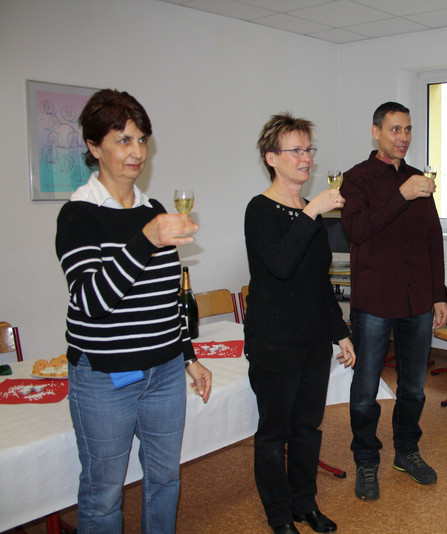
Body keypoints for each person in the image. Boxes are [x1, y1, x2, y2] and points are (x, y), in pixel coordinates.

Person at [55, 89, 212, 533]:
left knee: (164, 480)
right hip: (105, 375)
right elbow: (91, 301)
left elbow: (169, 297)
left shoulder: (154, 210)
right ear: (93, 147)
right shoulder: (79, 215)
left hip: (164, 371)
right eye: (123, 140)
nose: (137, 152)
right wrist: (145, 240)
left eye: (141, 140)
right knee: (103, 495)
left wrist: (188, 356)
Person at [244, 113, 356, 534]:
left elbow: (315, 282)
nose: (306, 157)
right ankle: (278, 516)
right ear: (272, 158)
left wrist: (339, 332)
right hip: (274, 341)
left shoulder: (310, 212)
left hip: (311, 340)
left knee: (307, 427)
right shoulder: (260, 210)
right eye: (296, 150)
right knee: (274, 435)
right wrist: (312, 211)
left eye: (309, 149)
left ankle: (303, 503)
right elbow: (282, 266)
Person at [340, 102, 447, 501]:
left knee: (415, 389)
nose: (403, 137)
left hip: (417, 300)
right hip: (373, 302)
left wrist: (439, 295)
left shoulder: (421, 180)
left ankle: (407, 451)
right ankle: (366, 461)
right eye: (394, 129)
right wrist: (401, 195)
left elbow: (432, 240)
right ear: (376, 132)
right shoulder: (356, 180)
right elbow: (355, 230)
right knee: (366, 389)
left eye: (407, 130)